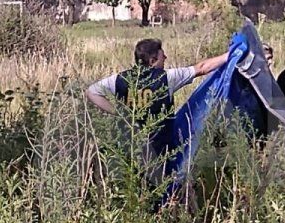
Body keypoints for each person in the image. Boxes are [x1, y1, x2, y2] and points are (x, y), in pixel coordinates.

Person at [86, 38, 230, 176]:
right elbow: (202, 68)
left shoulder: (120, 79)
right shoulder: (167, 78)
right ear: (152, 61)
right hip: (159, 150)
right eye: (162, 56)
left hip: (131, 148)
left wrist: (119, 112)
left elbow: (91, 91)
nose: (166, 57)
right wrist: (231, 54)